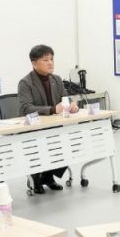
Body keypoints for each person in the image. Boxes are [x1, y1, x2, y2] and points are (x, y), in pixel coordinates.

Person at [17, 44, 77, 194]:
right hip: (34, 129)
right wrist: (52, 110)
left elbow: (65, 99)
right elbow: (26, 108)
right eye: (45, 60)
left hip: (55, 126)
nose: (50, 63)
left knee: (67, 143)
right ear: (34, 63)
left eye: (51, 59)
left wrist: (72, 105)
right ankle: (36, 179)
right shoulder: (26, 83)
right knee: (43, 146)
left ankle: (48, 177)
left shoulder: (56, 79)